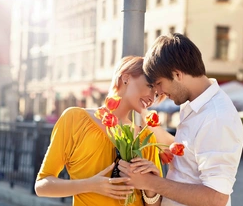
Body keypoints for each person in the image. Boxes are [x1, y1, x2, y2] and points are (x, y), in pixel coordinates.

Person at [118, 33, 243, 206]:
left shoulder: (216, 117)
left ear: (177, 74)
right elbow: (189, 169)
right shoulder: (193, 106)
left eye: (159, 83)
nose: (159, 93)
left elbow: (216, 198)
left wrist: (149, 182)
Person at [34, 56, 163, 206]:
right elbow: (42, 185)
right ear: (126, 78)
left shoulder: (145, 137)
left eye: (156, 94)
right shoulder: (75, 119)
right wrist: (90, 185)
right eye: (149, 86)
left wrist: (151, 186)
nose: (152, 98)